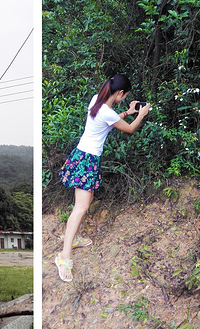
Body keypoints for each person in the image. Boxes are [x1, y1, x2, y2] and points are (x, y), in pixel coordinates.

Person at [55, 74, 151, 282]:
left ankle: (71, 238)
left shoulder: (95, 100)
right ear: (119, 93)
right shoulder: (107, 112)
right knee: (80, 208)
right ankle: (64, 258)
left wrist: (128, 111)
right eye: (124, 96)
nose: (124, 99)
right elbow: (130, 129)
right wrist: (140, 114)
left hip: (82, 155)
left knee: (84, 204)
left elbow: (109, 121)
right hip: (87, 159)